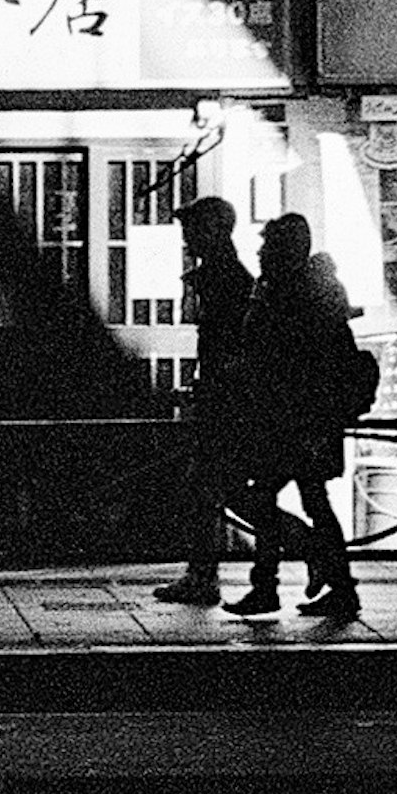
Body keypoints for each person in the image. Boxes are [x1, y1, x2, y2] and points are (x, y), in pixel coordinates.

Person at [225, 210, 366, 621]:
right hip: (293, 419)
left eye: (268, 245)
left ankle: (275, 586)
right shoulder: (288, 290)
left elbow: (294, 360)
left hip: (296, 420)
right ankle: (328, 585)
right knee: (301, 500)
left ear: (287, 249)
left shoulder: (299, 296)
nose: (262, 252)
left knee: (280, 499)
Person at [149, 195, 259, 605]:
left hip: (226, 403)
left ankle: (204, 576)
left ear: (213, 231)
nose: (185, 238)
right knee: (221, 490)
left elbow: (228, 345)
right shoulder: (222, 276)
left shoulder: (223, 279)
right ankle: (203, 574)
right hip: (223, 398)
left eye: (191, 229)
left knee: (215, 489)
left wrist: (213, 386)